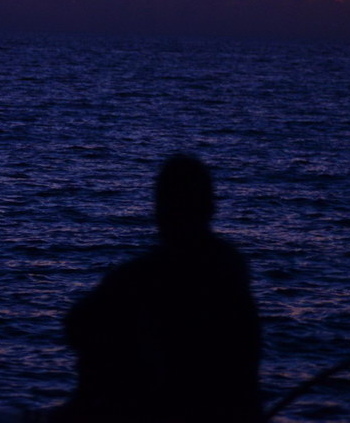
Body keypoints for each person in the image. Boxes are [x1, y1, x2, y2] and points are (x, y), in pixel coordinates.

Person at [46, 154, 262, 423]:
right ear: (210, 208)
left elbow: (78, 323)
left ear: (160, 211)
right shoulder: (232, 266)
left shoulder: (146, 274)